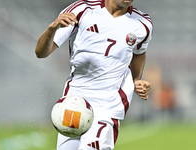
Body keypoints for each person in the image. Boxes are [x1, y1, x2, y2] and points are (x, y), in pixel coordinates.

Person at [35, 0, 152, 149]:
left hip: (108, 105)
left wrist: (136, 79)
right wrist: (52, 29)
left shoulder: (143, 24)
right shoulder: (82, 10)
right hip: (74, 102)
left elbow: (139, 52)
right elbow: (41, 53)